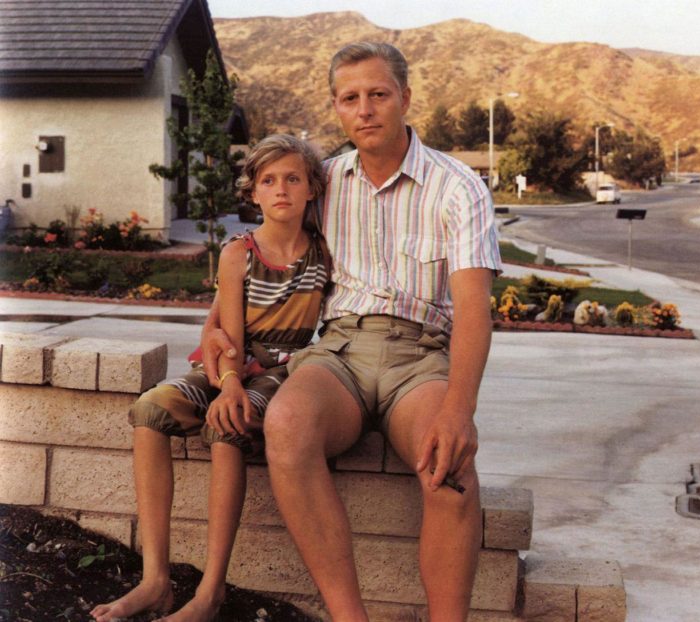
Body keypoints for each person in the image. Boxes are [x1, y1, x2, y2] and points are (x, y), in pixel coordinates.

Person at [202, 42, 502, 621]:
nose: (364, 109)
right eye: (350, 98)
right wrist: (214, 324)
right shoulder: (323, 182)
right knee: (286, 423)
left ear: (405, 99)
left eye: (378, 94)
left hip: (420, 356)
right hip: (338, 349)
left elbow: (472, 310)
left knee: (450, 468)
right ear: (337, 108)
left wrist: (458, 410)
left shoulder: (457, 187)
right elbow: (255, 252)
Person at [91, 134, 329, 622]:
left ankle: (209, 591)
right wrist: (228, 381)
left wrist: (235, 392)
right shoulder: (238, 252)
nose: (281, 189)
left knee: (227, 426)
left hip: (286, 374)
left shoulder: (323, 253)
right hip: (233, 366)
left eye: (292, 178)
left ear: (311, 189)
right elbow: (228, 335)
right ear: (254, 193)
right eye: (268, 180)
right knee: (151, 410)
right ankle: (155, 579)